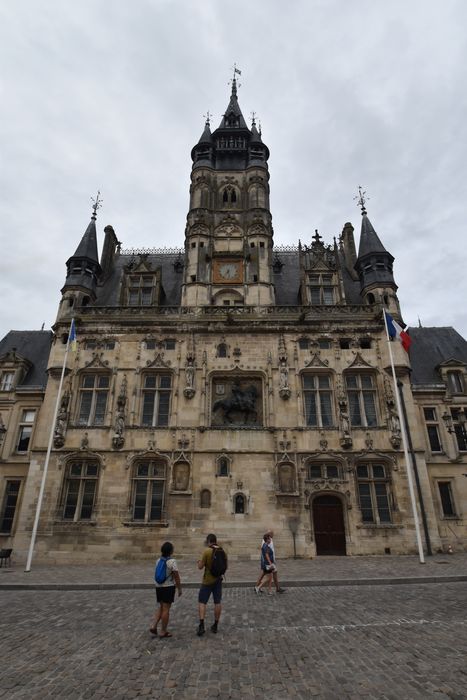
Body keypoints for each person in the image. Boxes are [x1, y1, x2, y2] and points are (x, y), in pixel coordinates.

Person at [197, 533, 227, 636]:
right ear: (215, 540)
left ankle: (201, 625)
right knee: (217, 602)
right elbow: (225, 566)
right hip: (218, 580)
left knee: (202, 602)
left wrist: (199, 562)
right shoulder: (222, 551)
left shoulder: (207, 551)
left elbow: (200, 567)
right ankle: (215, 625)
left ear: (209, 541)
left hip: (207, 581)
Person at [150, 541, 182, 638]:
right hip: (168, 587)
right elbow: (177, 576)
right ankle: (163, 631)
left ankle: (154, 625)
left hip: (158, 587)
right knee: (166, 609)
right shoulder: (172, 562)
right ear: (171, 551)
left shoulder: (158, 560)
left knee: (161, 607)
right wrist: (179, 588)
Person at [254, 529, 286, 593]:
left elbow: (271, 552)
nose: (273, 535)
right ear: (269, 535)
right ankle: (260, 588)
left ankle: (272, 589)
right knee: (269, 577)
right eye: (272, 534)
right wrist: (269, 563)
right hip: (268, 563)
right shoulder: (265, 543)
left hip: (270, 562)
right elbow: (266, 554)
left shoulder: (270, 540)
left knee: (269, 575)